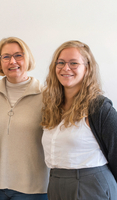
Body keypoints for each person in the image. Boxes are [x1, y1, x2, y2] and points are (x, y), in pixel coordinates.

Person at [41, 40, 117, 200]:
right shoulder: (51, 106)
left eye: (73, 63)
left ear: (87, 68)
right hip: (56, 184)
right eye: (60, 63)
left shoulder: (99, 107)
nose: (65, 68)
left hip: (90, 185)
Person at [0, 37, 49, 200]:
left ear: (28, 59)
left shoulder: (46, 94)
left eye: (19, 55)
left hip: (34, 188)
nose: (12, 61)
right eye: (6, 57)